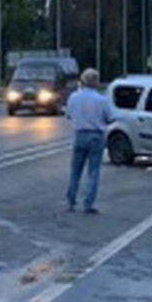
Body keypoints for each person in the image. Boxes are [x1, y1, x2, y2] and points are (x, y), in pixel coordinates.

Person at [65, 68, 113, 214]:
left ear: (83, 81)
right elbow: (110, 118)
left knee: (75, 170)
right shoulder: (102, 100)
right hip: (96, 137)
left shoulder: (74, 97)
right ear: (97, 82)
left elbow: (68, 115)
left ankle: (71, 201)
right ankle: (88, 203)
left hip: (79, 135)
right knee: (93, 171)